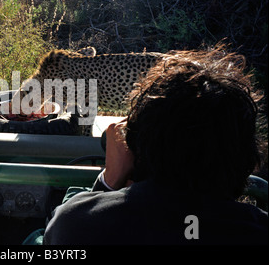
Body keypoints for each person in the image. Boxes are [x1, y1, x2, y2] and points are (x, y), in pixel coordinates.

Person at [43, 49, 268, 245]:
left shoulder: (73, 225)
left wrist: (107, 182)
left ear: (136, 144)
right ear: (249, 158)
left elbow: (81, 227)